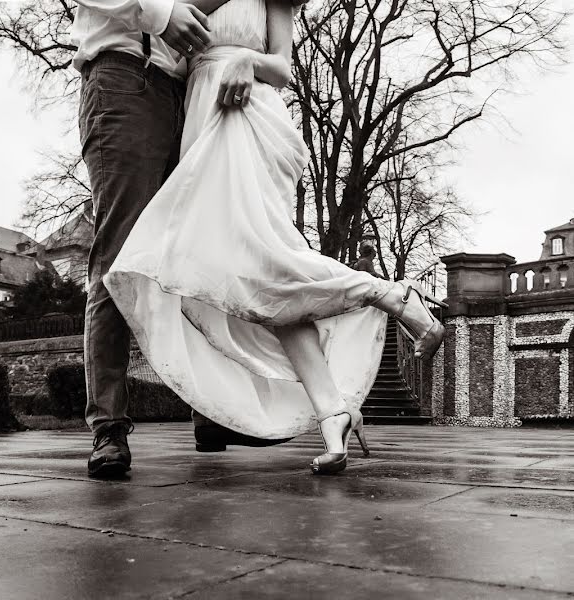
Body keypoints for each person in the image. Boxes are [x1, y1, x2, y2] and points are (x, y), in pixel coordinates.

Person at [103, 0, 446, 476]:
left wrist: (246, 60)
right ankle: (333, 412)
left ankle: (385, 293)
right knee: (261, 276)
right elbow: (161, 38)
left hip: (247, 112)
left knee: (266, 260)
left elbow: (282, 66)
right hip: (201, 114)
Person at [74, 0, 292, 478]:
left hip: (191, 91)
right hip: (126, 77)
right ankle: (108, 425)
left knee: (198, 252)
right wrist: (160, 14)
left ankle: (211, 412)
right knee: (119, 252)